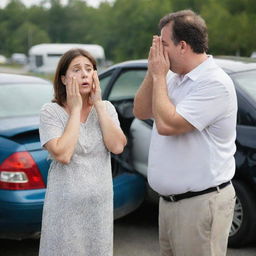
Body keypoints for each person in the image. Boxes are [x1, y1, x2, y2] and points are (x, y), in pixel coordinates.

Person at [133, 9, 237, 256]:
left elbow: (168, 125)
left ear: (182, 46)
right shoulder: (172, 77)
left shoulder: (214, 83)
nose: (159, 50)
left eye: (164, 44)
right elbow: (140, 110)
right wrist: (153, 72)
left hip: (200, 204)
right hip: (169, 204)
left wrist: (159, 75)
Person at [39, 48, 127, 256]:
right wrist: (76, 108)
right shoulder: (50, 112)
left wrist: (97, 104)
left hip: (100, 208)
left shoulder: (105, 108)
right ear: (63, 79)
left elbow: (117, 146)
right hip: (64, 210)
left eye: (89, 69)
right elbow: (63, 154)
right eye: (76, 70)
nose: (85, 74)